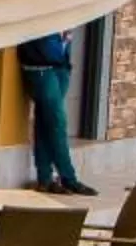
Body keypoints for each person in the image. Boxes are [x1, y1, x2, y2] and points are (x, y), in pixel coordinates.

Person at [16, 32, 96, 196]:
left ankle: (44, 179)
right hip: (39, 67)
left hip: (60, 66)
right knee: (57, 122)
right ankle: (69, 178)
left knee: (44, 121)